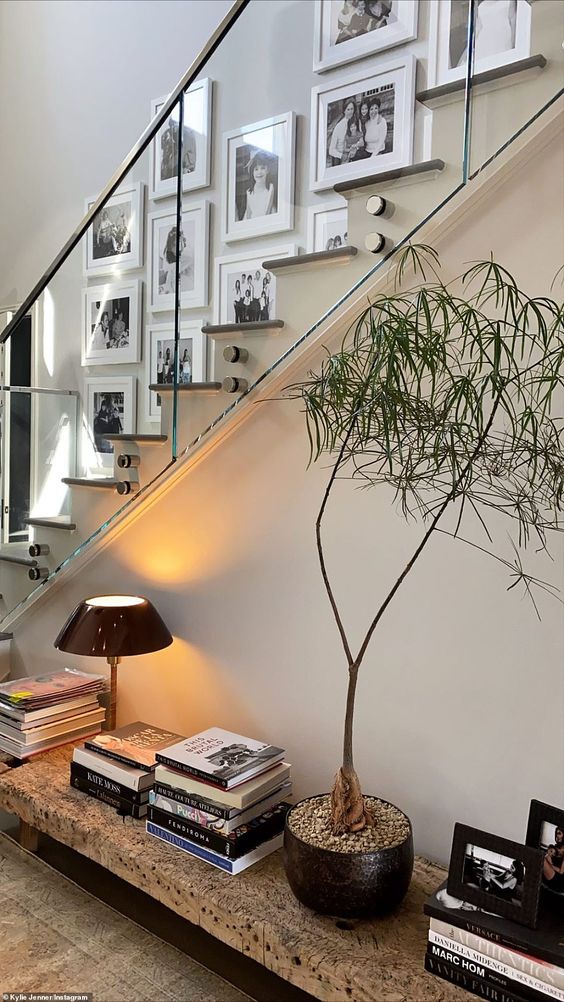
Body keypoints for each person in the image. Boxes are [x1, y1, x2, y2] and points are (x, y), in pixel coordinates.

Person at [243, 151, 276, 219]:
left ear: (267, 170)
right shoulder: (249, 192)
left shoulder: (270, 188)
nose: (259, 172)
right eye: (256, 169)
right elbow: (248, 213)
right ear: (252, 172)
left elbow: (268, 210)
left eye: (263, 168)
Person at [328, 99, 356, 165]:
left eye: (352, 109)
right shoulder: (339, 127)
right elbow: (331, 150)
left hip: (352, 156)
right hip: (340, 158)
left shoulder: (356, 122)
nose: (350, 112)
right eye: (348, 109)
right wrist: (341, 156)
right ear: (344, 111)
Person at [543, 827, 564, 892]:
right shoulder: (554, 847)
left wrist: (550, 864)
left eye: (559, 833)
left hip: (559, 879)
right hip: (550, 873)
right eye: (556, 833)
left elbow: (561, 872)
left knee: (540, 858)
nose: (557, 836)